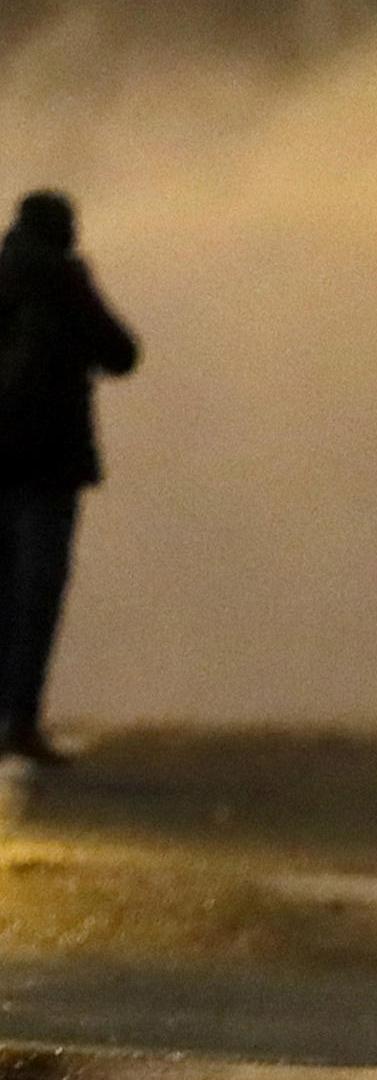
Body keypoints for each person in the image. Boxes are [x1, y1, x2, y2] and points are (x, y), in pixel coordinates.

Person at [0, 190, 138, 765]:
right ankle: (20, 723)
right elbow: (122, 353)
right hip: (52, 465)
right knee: (37, 596)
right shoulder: (66, 280)